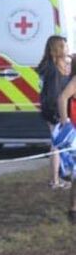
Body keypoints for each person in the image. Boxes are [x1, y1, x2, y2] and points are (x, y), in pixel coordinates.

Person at [37, 35, 70, 188]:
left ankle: (59, 177)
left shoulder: (59, 66)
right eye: (64, 46)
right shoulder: (52, 70)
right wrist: (60, 116)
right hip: (54, 112)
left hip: (58, 111)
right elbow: (52, 95)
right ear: (57, 49)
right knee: (56, 144)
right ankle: (55, 180)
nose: (68, 48)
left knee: (60, 144)